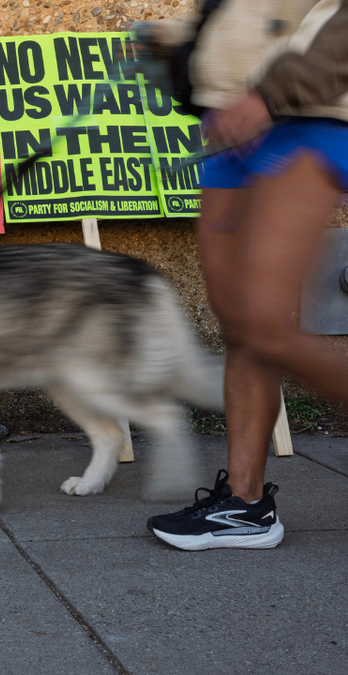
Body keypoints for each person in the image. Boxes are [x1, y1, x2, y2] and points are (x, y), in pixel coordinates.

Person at [138, 0, 348, 550]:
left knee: (264, 322)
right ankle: (246, 506)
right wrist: (176, 47)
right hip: (231, 125)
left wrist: (272, 94)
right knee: (240, 324)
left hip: (306, 115)